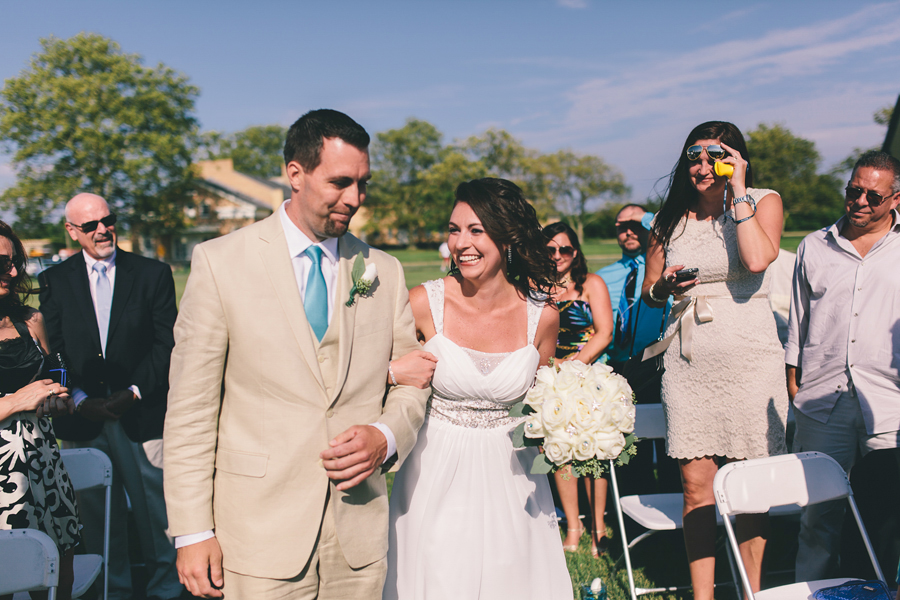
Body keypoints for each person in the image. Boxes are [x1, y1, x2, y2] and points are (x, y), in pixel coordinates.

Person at [163, 109, 431, 599]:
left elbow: (413, 384)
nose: (355, 199)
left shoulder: (384, 271)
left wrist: (386, 434)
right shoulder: (220, 263)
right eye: (341, 182)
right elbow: (191, 411)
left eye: (363, 184)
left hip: (357, 537)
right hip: (257, 535)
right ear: (295, 174)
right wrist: (192, 531)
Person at [384, 178, 573, 600]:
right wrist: (393, 370)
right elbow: (366, 371)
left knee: (515, 579)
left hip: (514, 475)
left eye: (476, 230)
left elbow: (540, 406)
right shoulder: (422, 303)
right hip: (435, 469)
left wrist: (575, 427)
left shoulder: (542, 317)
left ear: (507, 237)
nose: (461, 243)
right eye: (454, 229)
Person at [642, 121, 788, 600]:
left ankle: (752, 592)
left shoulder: (762, 199)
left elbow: (756, 260)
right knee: (694, 487)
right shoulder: (669, 220)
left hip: (750, 360)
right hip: (689, 363)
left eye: (715, 156)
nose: (702, 166)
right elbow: (650, 291)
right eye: (694, 156)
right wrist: (667, 287)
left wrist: (739, 190)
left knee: (748, 490)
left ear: (736, 159)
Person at [38, 194, 181, 600]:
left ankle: (167, 590)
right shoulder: (54, 279)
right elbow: (55, 350)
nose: (103, 230)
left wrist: (133, 392)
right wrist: (78, 397)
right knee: (97, 517)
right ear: (72, 231)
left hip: (142, 411)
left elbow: (166, 343)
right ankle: (111, 590)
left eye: (108, 220)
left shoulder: (152, 273)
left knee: (158, 511)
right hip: (82, 416)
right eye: (90, 226)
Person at [786, 150, 900, 580]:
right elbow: (798, 322)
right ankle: (812, 590)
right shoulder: (814, 246)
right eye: (854, 191)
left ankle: (874, 590)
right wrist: (794, 383)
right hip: (821, 400)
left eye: (873, 195)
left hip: (889, 404)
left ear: (896, 199)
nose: (860, 202)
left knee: (885, 517)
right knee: (817, 515)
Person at [0, 220, 80, 600]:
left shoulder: (31, 320)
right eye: (3, 263)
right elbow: (25, 395)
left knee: (56, 578)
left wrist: (56, 399)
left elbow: (57, 376)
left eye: (15, 262)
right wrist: (17, 401)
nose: (14, 272)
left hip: (44, 464)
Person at [598, 205, 680, 498]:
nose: (629, 231)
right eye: (622, 226)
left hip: (662, 362)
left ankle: (675, 514)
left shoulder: (669, 268)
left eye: (637, 224)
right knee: (631, 444)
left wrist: (647, 219)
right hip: (620, 367)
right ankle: (634, 509)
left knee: (670, 442)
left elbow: (669, 230)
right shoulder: (602, 277)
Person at [543, 221, 614, 556]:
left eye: (565, 249)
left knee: (592, 454)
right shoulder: (534, 286)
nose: (558, 255)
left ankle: (599, 526)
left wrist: (574, 364)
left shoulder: (591, 284)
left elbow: (604, 332)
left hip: (588, 377)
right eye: (550, 249)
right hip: (548, 377)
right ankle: (574, 525)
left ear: (575, 252)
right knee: (559, 454)